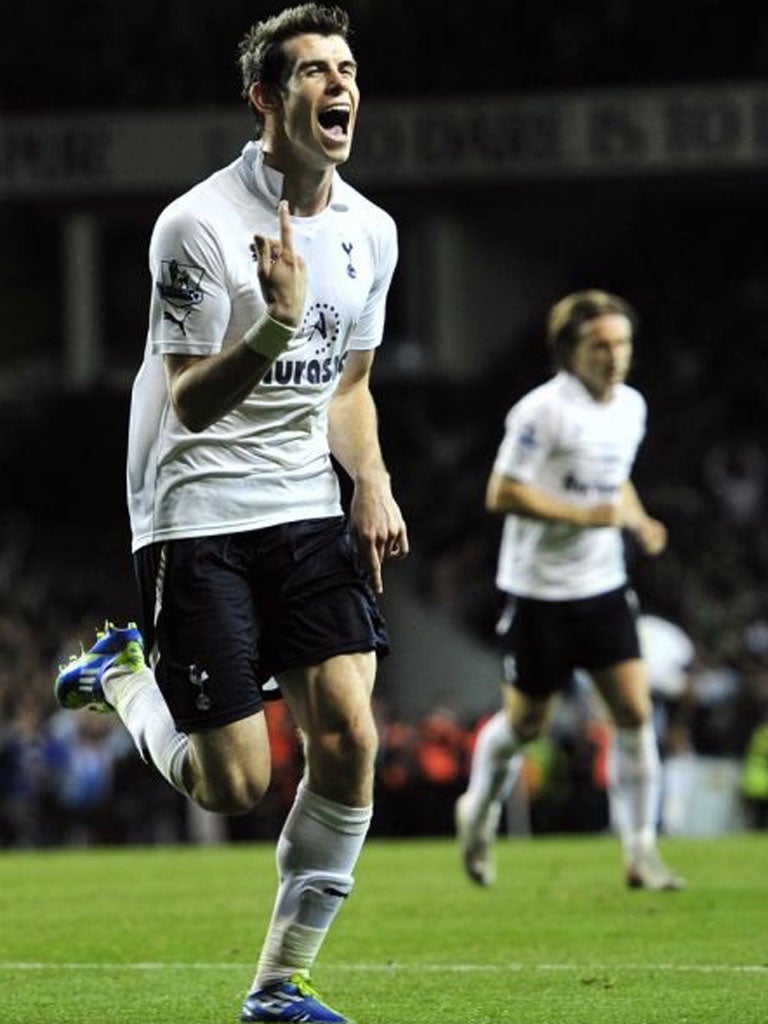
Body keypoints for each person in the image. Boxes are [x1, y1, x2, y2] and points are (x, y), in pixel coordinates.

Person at [54, 5, 408, 1022]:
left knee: (348, 735)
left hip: (303, 499)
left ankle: (277, 986)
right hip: (193, 504)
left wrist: (372, 479)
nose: (338, 87)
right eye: (312, 73)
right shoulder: (198, 223)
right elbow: (188, 400)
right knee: (233, 783)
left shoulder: (371, 231)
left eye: (347, 69)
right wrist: (275, 326)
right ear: (265, 97)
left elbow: (350, 387)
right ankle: (123, 680)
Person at [455, 290, 685, 892]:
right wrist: (588, 516)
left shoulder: (631, 407)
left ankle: (640, 850)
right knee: (527, 726)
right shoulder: (541, 411)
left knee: (634, 714)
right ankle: (477, 809)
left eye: (622, 344)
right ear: (568, 352)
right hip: (539, 592)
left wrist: (636, 519)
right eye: (600, 345)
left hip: (603, 586)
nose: (614, 356)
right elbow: (502, 492)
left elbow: (615, 479)